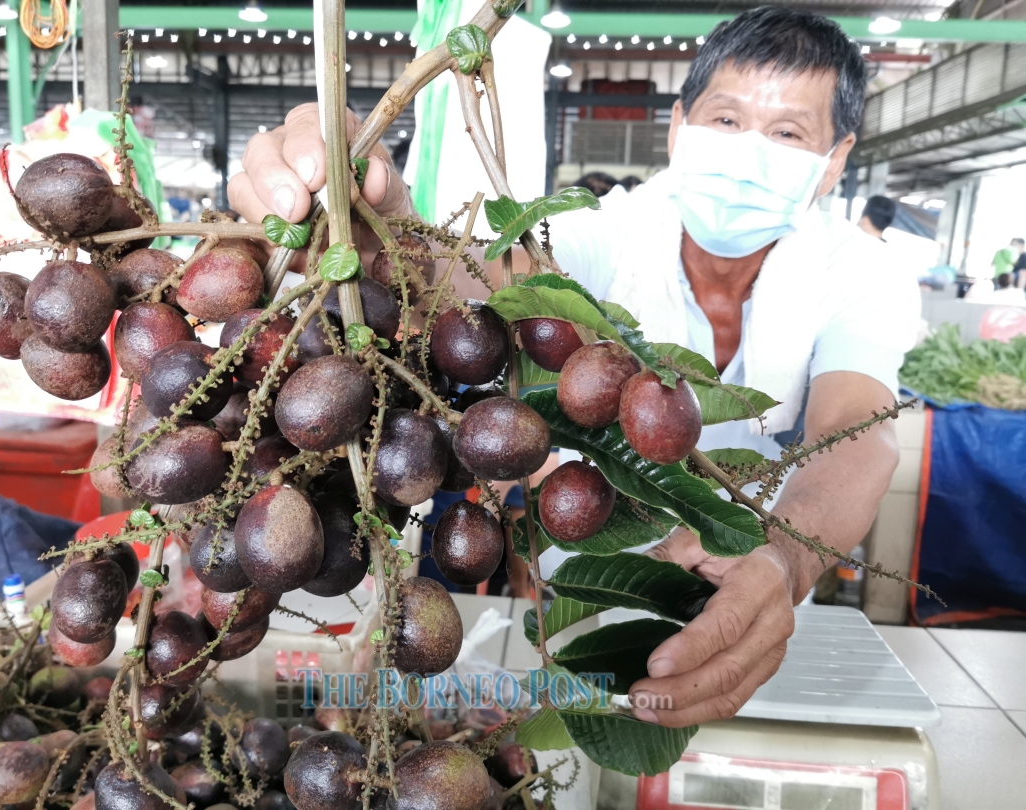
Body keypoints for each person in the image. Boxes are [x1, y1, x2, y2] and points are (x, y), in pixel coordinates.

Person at [229, 6, 919, 729]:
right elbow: (490, 288)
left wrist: (787, 558)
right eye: (727, 120)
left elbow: (860, 429)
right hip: (590, 582)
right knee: (591, 734)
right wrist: (385, 225)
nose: (750, 150)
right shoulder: (608, 232)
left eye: (786, 134)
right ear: (679, 126)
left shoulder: (858, 271)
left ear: (835, 157)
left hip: (755, 582)